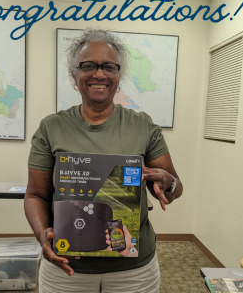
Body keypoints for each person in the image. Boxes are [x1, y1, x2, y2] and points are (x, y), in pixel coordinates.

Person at [25, 28, 183, 293]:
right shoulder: (51, 128)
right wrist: (42, 234)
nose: (99, 73)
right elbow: (35, 195)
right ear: (74, 75)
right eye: (88, 65)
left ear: (118, 75)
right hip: (66, 266)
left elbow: (176, 188)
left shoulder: (142, 126)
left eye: (109, 66)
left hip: (132, 270)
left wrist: (168, 183)